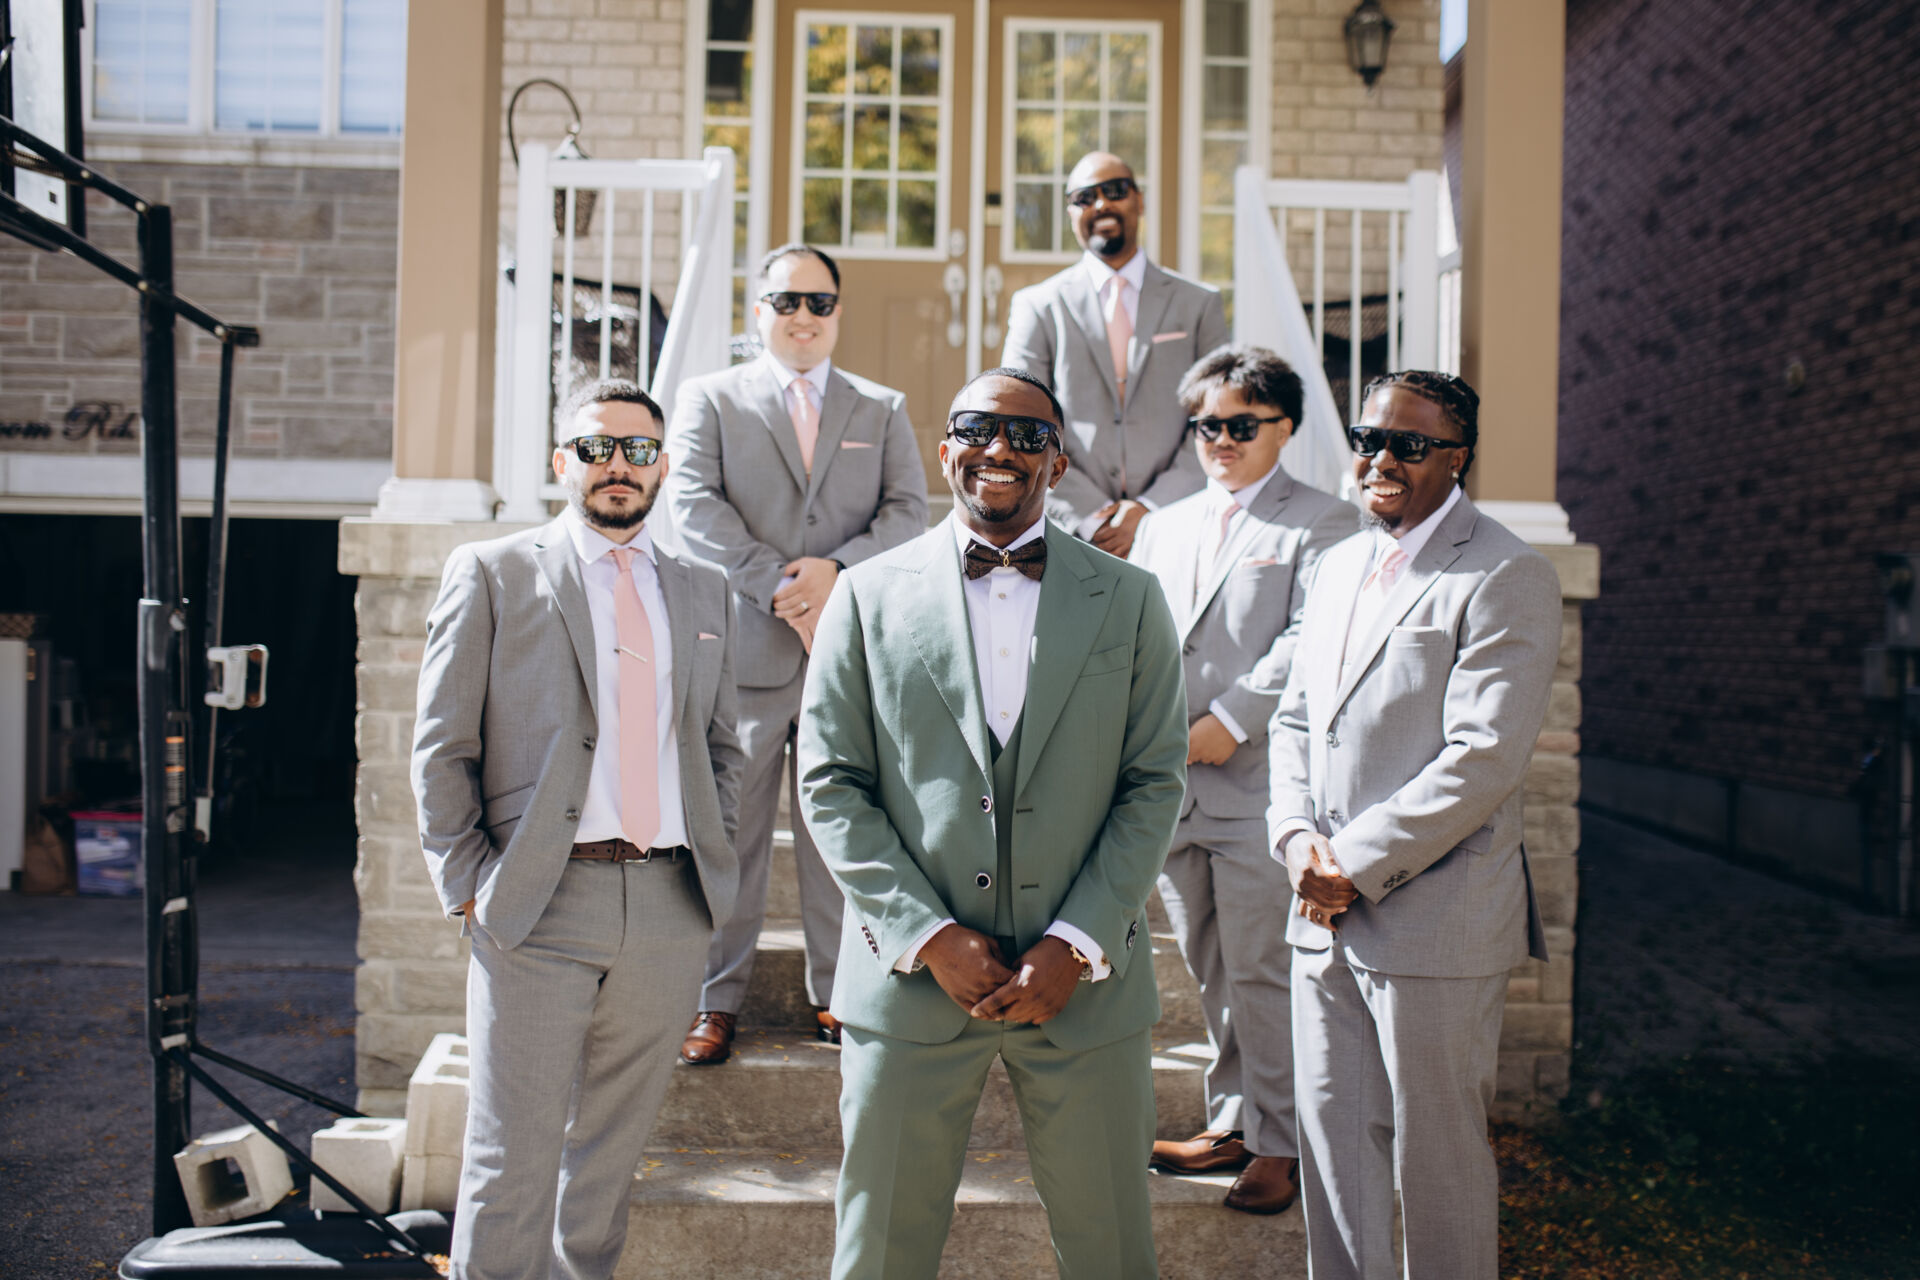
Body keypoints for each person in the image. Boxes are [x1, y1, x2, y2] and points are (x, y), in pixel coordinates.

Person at [798, 367, 1189, 1279]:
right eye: (977, 429)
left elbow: (1152, 783)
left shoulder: (1131, 598)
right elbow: (830, 782)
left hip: (1085, 987)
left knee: (1112, 1251)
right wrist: (927, 935)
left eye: (1027, 434)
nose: (999, 449)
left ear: (1059, 462)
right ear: (945, 452)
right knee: (880, 1253)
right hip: (910, 983)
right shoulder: (864, 594)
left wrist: (1078, 941)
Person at [411, 379, 744, 1280]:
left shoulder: (705, 589)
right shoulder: (493, 571)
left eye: (639, 450)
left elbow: (722, 745)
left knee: (606, 1159)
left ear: (663, 467)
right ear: (563, 461)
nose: (617, 466)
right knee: (508, 1156)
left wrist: (711, 860)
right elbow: (442, 748)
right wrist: (470, 885)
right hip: (538, 903)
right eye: (597, 448)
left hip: (669, 907)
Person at [1267, 371, 1559, 1278]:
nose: (1381, 460)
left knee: (1438, 1164)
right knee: (1333, 1155)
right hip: (1319, 917)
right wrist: (1294, 839)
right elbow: (1294, 721)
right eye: (1369, 440)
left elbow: (1483, 758)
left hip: (1437, 921)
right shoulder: (1337, 565)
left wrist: (1348, 863)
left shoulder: (1506, 572)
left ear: (1458, 457)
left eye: (1410, 444)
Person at [667, 243, 929, 1064]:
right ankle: (713, 1001)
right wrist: (779, 585)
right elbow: (693, 505)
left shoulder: (880, 407)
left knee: (839, 833)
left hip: (844, 656)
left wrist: (836, 574)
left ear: (838, 312)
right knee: (730, 834)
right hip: (744, 653)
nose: (803, 317)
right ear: (760, 312)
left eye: (819, 302)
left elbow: (908, 512)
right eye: (787, 302)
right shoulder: (711, 399)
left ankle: (841, 994)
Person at [1129, 345, 1356, 1214]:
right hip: (1170, 783)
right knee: (1209, 965)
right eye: (1206, 426)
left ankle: (1281, 1143)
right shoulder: (1166, 524)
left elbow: (1310, 638)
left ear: (1283, 427)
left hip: (1256, 784)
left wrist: (1230, 720)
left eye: (1241, 425)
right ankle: (1234, 1121)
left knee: (1263, 967)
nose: (1220, 440)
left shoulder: (1324, 523)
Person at [1001, 151, 1229, 559]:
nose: (1101, 204)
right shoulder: (1037, 306)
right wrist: (1094, 517)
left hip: (1177, 524)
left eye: (1115, 191)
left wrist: (1150, 510)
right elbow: (1019, 420)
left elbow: (1217, 416)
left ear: (1139, 201)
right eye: (1085, 197)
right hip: (1071, 527)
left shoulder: (1199, 305)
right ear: (1071, 214)